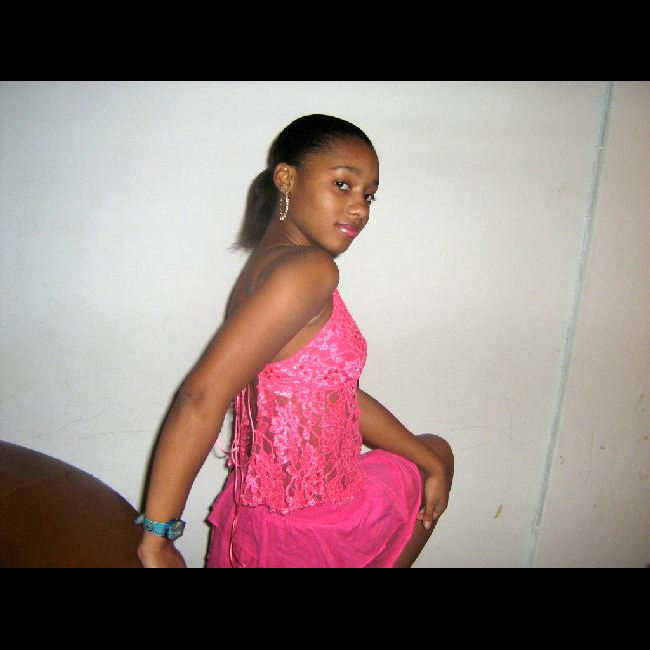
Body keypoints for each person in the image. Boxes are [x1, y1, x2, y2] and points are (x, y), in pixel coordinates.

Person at [136, 114, 454, 568]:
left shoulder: (266, 269)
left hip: (258, 520)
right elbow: (200, 397)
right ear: (286, 178)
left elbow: (334, 393)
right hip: (312, 528)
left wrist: (431, 460)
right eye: (342, 184)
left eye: (368, 195)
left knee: (434, 453)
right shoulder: (310, 270)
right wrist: (158, 537)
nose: (360, 209)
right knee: (436, 454)